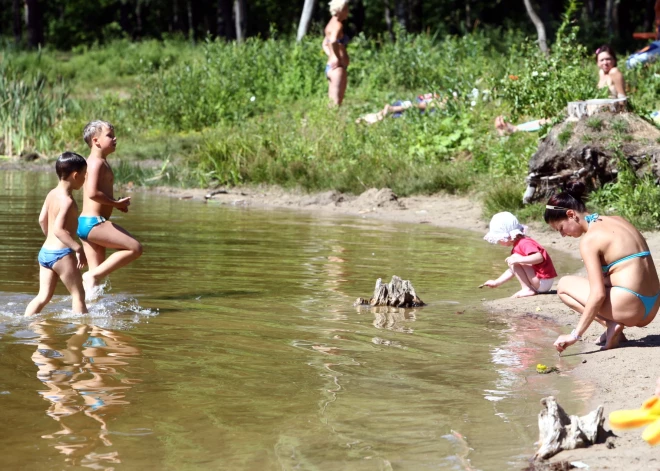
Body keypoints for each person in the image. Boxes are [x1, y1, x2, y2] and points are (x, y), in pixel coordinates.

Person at [544, 182, 660, 352]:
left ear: (571, 214)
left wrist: (575, 335)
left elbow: (597, 294)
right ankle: (614, 329)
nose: (562, 235)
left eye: (560, 228)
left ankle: (611, 325)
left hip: (631, 307)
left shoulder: (590, 240)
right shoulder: (618, 220)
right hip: (653, 305)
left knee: (564, 285)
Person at [495, 44, 626, 135]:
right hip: (595, 109)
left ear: (614, 60)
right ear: (597, 62)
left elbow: (622, 98)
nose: (605, 62)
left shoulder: (615, 72)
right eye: (602, 60)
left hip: (607, 111)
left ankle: (516, 129)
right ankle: (516, 129)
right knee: (555, 118)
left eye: (608, 59)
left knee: (558, 119)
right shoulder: (602, 74)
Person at [78, 120, 143, 297]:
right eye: (110, 136)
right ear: (96, 141)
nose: (115, 139)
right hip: (95, 224)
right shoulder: (95, 163)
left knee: (95, 284)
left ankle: (89, 317)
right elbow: (92, 193)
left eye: (114, 136)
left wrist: (115, 203)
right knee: (135, 248)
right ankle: (91, 276)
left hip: (88, 224)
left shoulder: (100, 162)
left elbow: (98, 193)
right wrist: (116, 204)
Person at [25, 153, 88, 316]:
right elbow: (59, 230)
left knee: (43, 296)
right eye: (84, 175)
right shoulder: (67, 201)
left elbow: (41, 220)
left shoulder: (51, 193)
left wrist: (50, 240)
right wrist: (78, 248)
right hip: (62, 254)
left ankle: (25, 323)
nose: (85, 179)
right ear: (75, 175)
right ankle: (81, 333)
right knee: (78, 295)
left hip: (45, 252)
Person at [482, 211, 557, 298]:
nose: (498, 241)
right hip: (541, 282)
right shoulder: (518, 245)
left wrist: (518, 259)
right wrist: (497, 282)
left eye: (499, 239)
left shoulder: (524, 243)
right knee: (514, 260)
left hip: (543, 281)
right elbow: (513, 270)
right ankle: (527, 288)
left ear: (508, 236)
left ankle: (527, 289)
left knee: (515, 258)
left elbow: (539, 257)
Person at [323, 0, 350, 106]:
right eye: (346, 9)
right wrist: (338, 58)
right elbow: (333, 41)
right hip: (337, 69)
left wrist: (331, 55)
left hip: (330, 67)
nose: (348, 11)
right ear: (341, 10)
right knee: (336, 104)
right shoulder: (338, 25)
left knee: (332, 103)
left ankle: (325, 122)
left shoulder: (330, 24)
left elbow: (325, 44)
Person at [355, 93, 443, 124]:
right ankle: (370, 118)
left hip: (409, 108)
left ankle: (371, 119)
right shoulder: (439, 98)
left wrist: (410, 106)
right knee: (385, 114)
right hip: (408, 106)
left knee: (388, 115)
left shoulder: (440, 104)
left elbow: (425, 106)